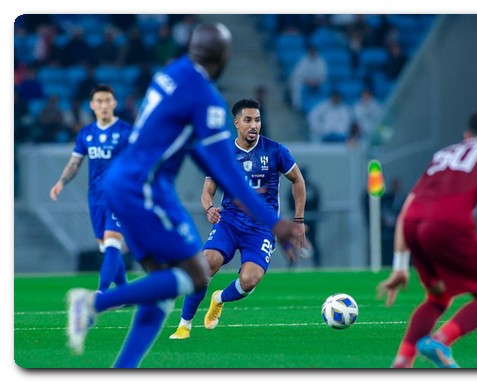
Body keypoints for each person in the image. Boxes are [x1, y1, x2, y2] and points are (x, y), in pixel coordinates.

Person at [65, 23, 306, 368]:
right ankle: (92, 304)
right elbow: (227, 175)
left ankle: (123, 368)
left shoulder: (170, 73)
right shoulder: (205, 98)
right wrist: (276, 223)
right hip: (143, 189)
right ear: (223, 56)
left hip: (129, 182)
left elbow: (197, 151)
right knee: (194, 273)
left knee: (162, 286)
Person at [376, 109, 477, 368]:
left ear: (467, 135)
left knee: (438, 297)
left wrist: (400, 266)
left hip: (413, 223)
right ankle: (441, 340)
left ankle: (402, 361)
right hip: (448, 223)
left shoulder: (443, 154)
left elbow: (408, 206)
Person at [169, 98, 307, 339]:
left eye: (257, 120)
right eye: (248, 120)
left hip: (262, 229)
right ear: (236, 123)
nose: (254, 125)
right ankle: (184, 324)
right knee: (205, 264)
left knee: (250, 280)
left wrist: (299, 220)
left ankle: (218, 299)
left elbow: (298, 180)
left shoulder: (275, 150)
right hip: (230, 222)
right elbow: (208, 191)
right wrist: (209, 207)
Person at [50, 84, 132, 293]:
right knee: (106, 247)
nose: (103, 105)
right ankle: (125, 291)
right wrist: (61, 182)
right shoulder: (86, 133)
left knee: (113, 244)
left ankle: (102, 292)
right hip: (95, 197)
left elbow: (137, 162)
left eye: (107, 101)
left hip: (118, 196)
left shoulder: (125, 132)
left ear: (114, 103)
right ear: (92, 105)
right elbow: (75, 163)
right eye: (99, 101)